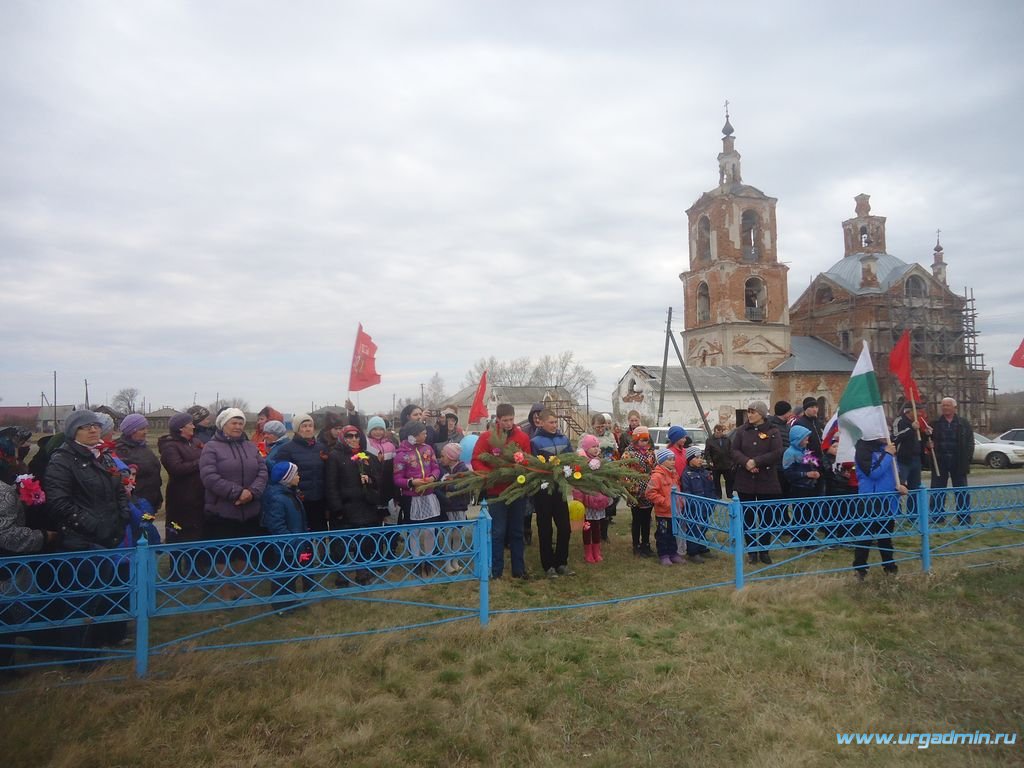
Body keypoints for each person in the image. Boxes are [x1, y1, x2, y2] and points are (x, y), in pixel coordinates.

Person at [43, 410, 132, 648]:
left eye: (95, 425)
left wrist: (122, 518)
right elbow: (60, 503)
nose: (93, 430)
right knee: (82, 602)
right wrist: (95, 527)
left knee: (106, 595)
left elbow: (119, 490)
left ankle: (105, 639)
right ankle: (79, 655)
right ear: (73, 432)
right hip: (80, 542)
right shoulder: (62, 460)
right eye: (86, 427)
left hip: (107, 538)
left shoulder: (102, 456)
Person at [199, 408, 269, 598]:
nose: (238, 427)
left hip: (250, 509)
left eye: (240, 423)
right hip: (222, 510)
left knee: (243, 551)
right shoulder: (211, 448)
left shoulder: (250, 446)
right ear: (223, 425)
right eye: (234, 423)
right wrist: (237, 492)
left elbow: (262, 471)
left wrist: (252, 492)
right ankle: (225, 591)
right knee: (223, 553)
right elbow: (209, 477)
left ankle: (241, 587)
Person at [0, 477, 60, 667]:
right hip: (7, 569)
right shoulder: (4, 493)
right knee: (9, 616)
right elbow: (6, 535)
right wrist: (43, 536)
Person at [472, 403, 532, 579]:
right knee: (498, 531)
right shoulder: (487, 438)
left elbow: (529, 460)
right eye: (505, 420)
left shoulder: (522, 437)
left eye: (511, 420)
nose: (508, 423)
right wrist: (491, 475)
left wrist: (521, 469)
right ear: (497, 419)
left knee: (517, 531)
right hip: (496, 491)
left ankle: (518, 570)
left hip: (516, 490)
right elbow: (477, 459)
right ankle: (496, 571)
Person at [731, 401, 783, 565]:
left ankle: (764, 549)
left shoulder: (773, 431)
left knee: (767, 517)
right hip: (745, 480)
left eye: (753, 412)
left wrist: (757, 462)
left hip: (767, 480)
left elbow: (777, 452)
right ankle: (752, 550)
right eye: (749, 412)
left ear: (762, 414)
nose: (750, 415)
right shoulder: (741, 431)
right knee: (748, 517)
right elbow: (734, 450)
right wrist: (746, 462)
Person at [852, 438, 907, 579]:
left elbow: (895, 471)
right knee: (865, 537)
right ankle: (860, 569)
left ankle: (890, 569)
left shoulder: (887, 448)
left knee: (885, 538)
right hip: (870, 499)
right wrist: (888, 454)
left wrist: (901, 485)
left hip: (887, 500)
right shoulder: (863, 449)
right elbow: (873, 473)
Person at [530, 409, 575, 578]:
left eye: (556, 422)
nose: (554, 425)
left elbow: (571, 457)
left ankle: (562, 562)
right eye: (551, 422)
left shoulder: (563, 439)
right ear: (540, 423)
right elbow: (533, 466)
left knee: (565, 528)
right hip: (543, 491)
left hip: (559, 489)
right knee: (545, 528)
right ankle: (548, 565)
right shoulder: (535, 442)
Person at [393, 421, 442, 572]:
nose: (426, 435)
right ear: (414, 435)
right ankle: (415, 560)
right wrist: (412, 482)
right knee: (413, 530)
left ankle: (429, 559)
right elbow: (397, 479)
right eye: (423, 433)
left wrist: (433, 478)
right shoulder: (401, 455)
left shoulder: (428, 449)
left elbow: (436, 467)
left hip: (428, 495)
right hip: (411, 498)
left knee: (430, 529)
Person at [269, 413, 330, 532]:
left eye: (310, 425)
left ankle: (322, 551)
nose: (308, 429)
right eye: (304, 426)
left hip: (319, 499)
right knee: (303, 535)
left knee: (320, 534)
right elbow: (282, 477)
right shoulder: (286, 449)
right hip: (299, 501)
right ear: (297, 429)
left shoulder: (321, 448)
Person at [260, 461, 311, 600]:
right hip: (286, 546)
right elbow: (277, 525)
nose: (299, 476)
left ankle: (291, 601)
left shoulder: (290, 494)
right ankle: (281, 605)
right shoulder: (278, 498)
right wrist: (290, 540)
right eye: (296, 474)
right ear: (287, 478)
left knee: (292, 575)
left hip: (296, 542)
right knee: (284, 577)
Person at [158, 412, 205, 550]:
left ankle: (195, 566)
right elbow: (176, 468)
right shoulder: (170, 446)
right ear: (181, 428)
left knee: (196, 534)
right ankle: (176, 567)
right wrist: (201, 462)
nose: (193, 426)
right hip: (180, 497)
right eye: (190, 424)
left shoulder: (195, 442)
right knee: (178, 534)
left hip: (198, 495)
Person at [928, 397, 973, 526]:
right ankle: (937, 516)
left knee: (961, 490)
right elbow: (926, 440)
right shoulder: (934, 423)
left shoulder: (963, 423)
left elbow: (970, 443)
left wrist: (967, 459)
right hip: (940, 462)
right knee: (937, 490)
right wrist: (928, 442)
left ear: (954, 407)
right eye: (943, 405)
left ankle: (964, 517)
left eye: (948, 405)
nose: (945, 408)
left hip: (958, 461)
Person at [782, 425, 823, 546]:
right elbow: (789, 473)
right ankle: (799, 538)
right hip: (799, 488)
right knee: (801, 514)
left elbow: (813, 464)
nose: (807, 441)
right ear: (798, 439)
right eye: (805, 438)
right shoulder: (790, 453)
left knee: (810, 514)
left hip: (810, 487)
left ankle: (808, 536)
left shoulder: (806, 452)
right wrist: (807, 474)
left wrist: (816, 472)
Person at [115, 414, 163, 514]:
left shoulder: (143, 446)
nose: (146, 432)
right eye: (141, 429)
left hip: (151, 499)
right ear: (131, 431)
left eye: (146, 428)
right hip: (135, 502)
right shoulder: (120, 450)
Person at [575, 435, 610, 564]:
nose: (595, 449)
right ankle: (588, 552)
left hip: (598, 501)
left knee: (597, 526)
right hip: (587, 503)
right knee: (587, 527)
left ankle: (597, 550)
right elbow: (577, 485)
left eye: (597, 447)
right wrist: (579, 501)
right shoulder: (582, 464)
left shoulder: (599, 462)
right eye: (592, 447)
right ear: (586, 448)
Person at [645, 448, 683, 565]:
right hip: (663, 512)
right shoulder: (657, 476)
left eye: (673, 459)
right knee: (663, 534)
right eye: (670, 459)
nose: (673, 462)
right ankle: (663, 554)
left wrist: (680, 502)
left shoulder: (674, 474)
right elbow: (650, 493)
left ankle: (673, 553)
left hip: (675, 512)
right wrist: (664, 501)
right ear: (661, 461)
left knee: (673, 533)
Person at [622, 425, 656, 557]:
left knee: (647, 519)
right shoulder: (628, 454)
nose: (644, 442)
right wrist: (630, 486)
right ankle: (636, 545)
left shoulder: (650, 453)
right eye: (642, 440)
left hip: (648, 490)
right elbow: (623, 472)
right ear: (635, 439)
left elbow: (654, 468)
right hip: (635, 491)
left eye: (646, 440)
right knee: (637, 519)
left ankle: (646, 544)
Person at [679, 446, 715, 562]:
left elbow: (711, 488)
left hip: (706, 507)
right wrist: (693, 504)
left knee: (704, 527)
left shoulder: (705, 472)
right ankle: (693, 552)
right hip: (694, 508)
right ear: (690, 459)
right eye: (697, 458)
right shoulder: (686, 474)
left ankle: (702, 547)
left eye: (701, 457)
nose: (700, 460)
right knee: (694, 529)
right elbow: (686, 492)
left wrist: (712, 503)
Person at [587, 413, 620, 540]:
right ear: (592, 425)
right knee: (593, 502)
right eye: (598, 426)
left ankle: (604, 533)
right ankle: (591, 531)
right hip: (593, 471)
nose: (600, 429)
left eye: (602, 426)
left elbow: (614, 449)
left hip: (608, 470)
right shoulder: (587, 436)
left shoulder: (610, 435)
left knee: (608, 500)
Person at [793, 398, 826, 497]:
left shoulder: (819, 423)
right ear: (805, 409)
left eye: (816, 407)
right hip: (808, 463)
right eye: (812, 407)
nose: (815, 410)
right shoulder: (800, 423)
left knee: (820, 492)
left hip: (822, 463)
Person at [704, 423, 735, 499]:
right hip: (715, 464)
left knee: (729, 480)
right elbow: (707, 452)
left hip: (726, 464)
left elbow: (731, 450)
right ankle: (718, 495)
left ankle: (729, 494)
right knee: (716, 481)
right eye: (717, 432)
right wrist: (709, 461)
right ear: (714, 431)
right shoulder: (709, 440)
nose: (719, 434)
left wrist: (732, 461)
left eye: (720, 432)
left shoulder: (727, 439)